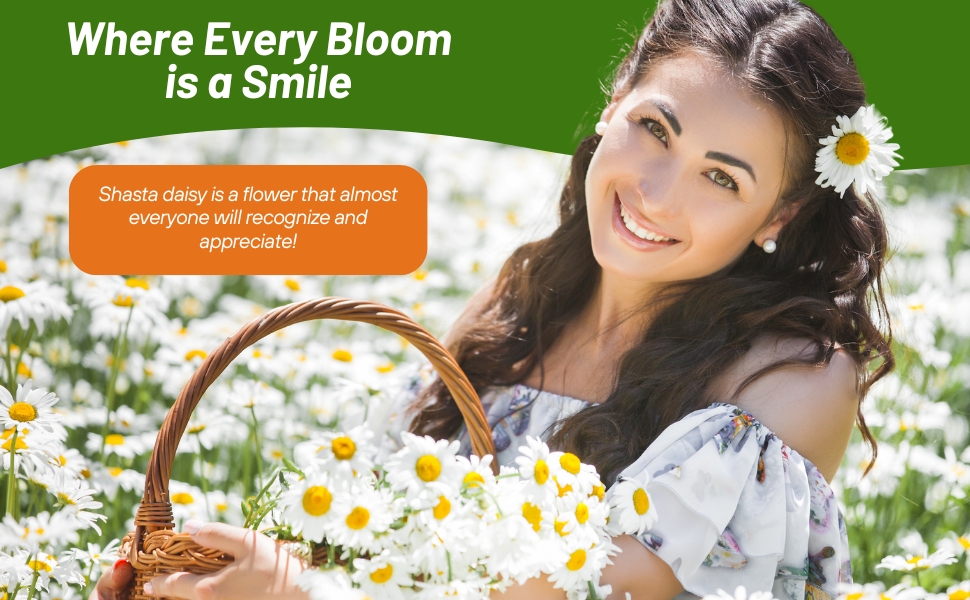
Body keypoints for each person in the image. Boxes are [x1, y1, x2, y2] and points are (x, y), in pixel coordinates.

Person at [93, 0, 901, 598]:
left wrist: (300, 593)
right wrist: (211, 567)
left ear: (782, 216)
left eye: (721, 178)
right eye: (656, 129)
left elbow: (587, 592)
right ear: (614, 100)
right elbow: (371, 550)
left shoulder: (790, 381)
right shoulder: (513, 313)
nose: (656, 194)